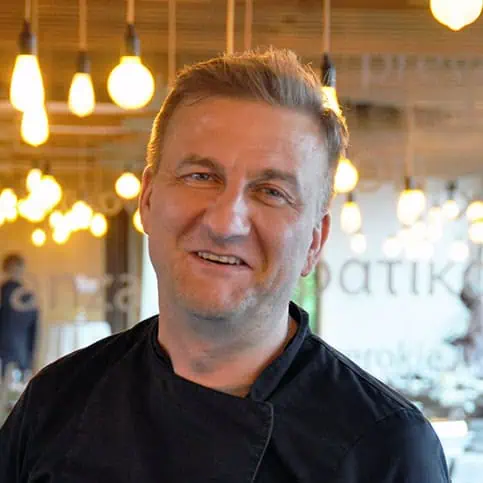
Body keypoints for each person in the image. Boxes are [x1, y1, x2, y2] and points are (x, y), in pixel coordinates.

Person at [0, 49, 449, 482]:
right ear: (148, 200)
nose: (224, 222)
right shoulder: (57, 400)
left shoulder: (386, 447)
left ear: (315, 241)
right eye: (201, 176)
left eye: (272, 191)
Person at [0, 253, 38, 379]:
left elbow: (33, 326)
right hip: (18, 351)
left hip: (17, 350)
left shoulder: (26, 295)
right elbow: (33, 327)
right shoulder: (26, 296)